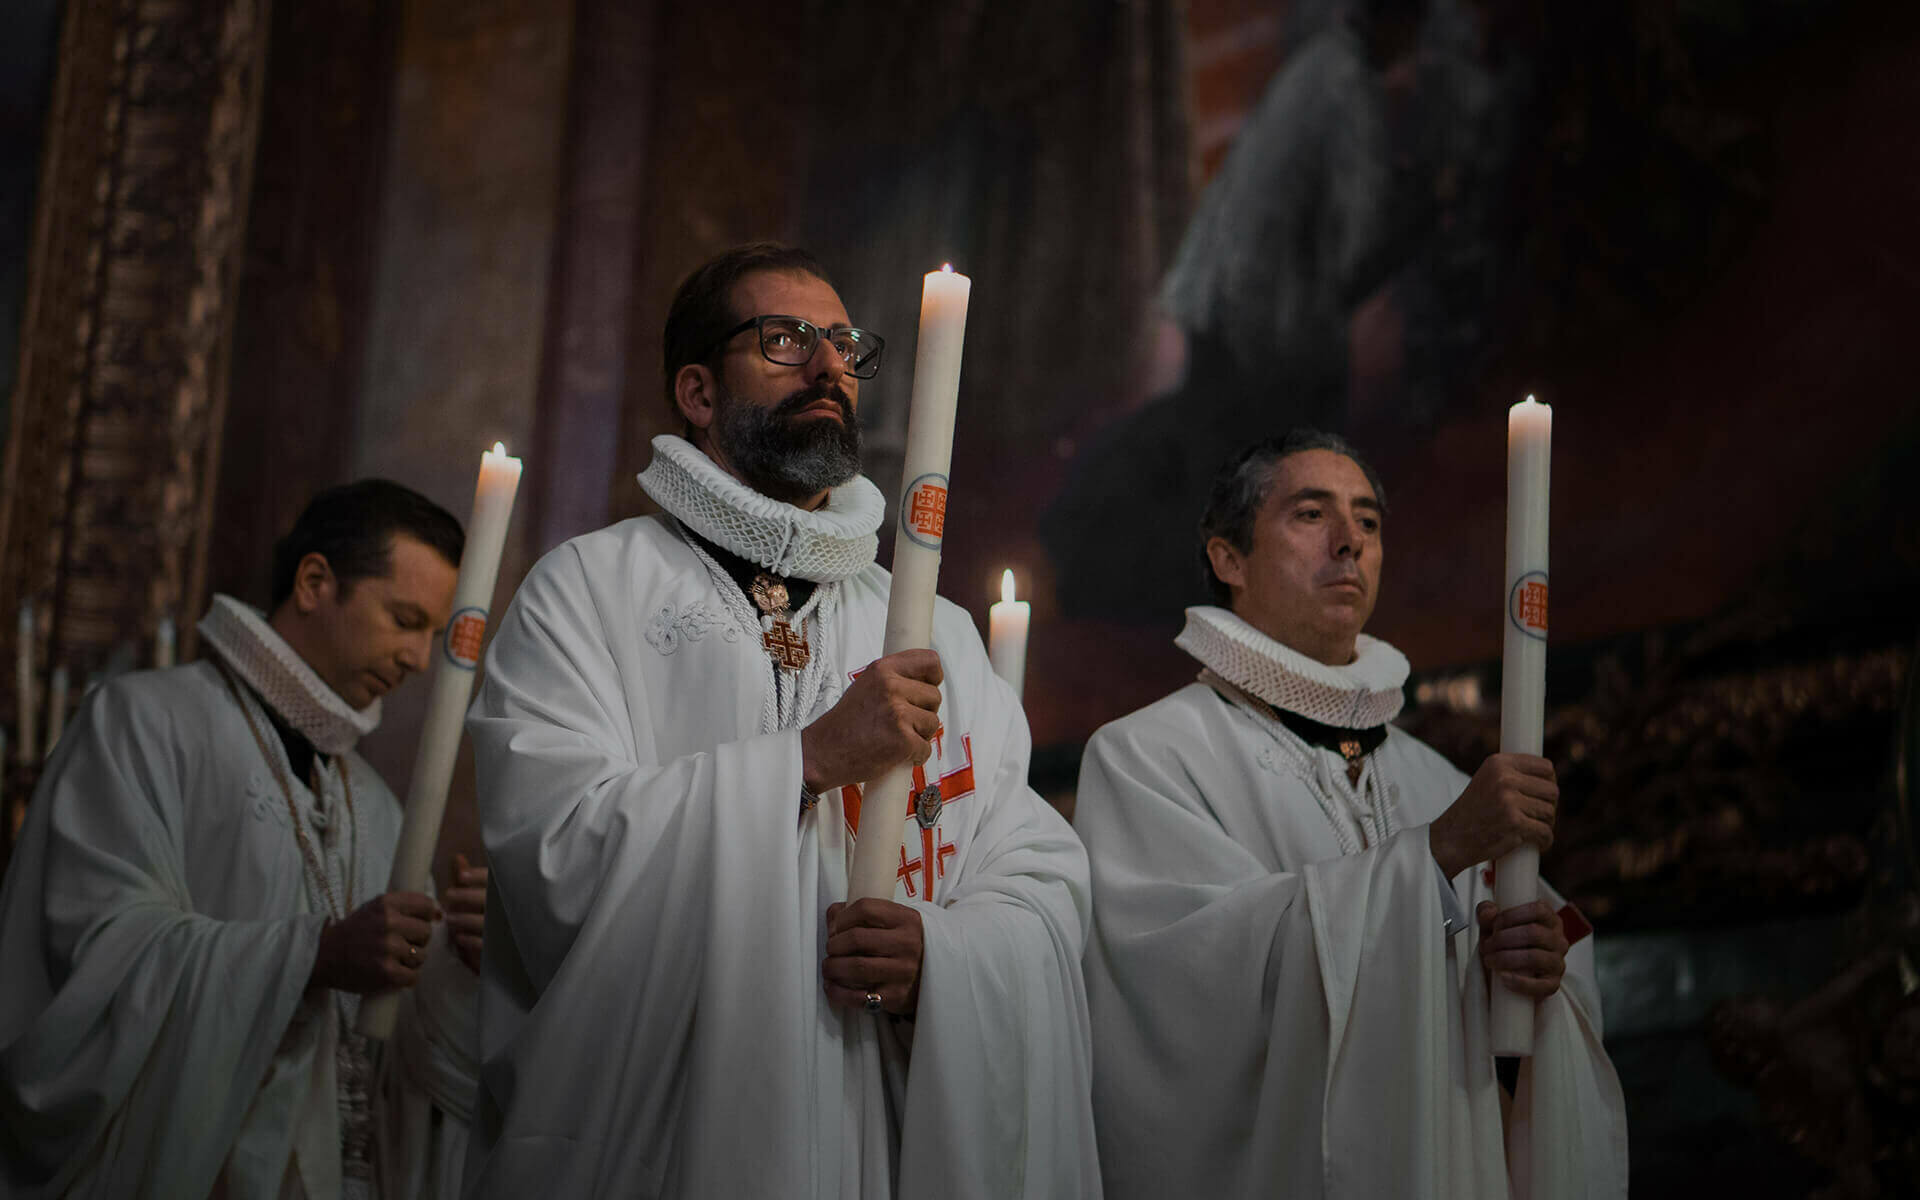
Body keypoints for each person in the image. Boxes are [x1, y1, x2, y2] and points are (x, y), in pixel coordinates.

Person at [463, 243, 1099, 1197]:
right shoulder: (589, 590)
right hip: (664, 1141)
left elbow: (1040, 874)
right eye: (785, 340)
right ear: (698, 392)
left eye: (842, 344)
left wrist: (943, 956)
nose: (829, 365)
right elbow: (553, 855)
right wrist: (805, 763)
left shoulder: (937, 633)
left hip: (879, 1141)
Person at [1074, 430, 1627, 1198]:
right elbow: (1180, 992)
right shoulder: (1146, 756)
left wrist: (1534, 975)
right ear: (1228, 559)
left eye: (1368, 522)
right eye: (1311, 514)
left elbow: (1540, 979)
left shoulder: (1438, 780)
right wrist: (1429, 858)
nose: (1350, 543)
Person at [0, 480, 487, 1199]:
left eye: (432, 635)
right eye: (404, 619)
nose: (418, 658)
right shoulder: (144, 724)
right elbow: (95, 960)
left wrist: (455, 961)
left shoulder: (380, 810)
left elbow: (388, 1056)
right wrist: (310, 956)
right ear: (316, 582)